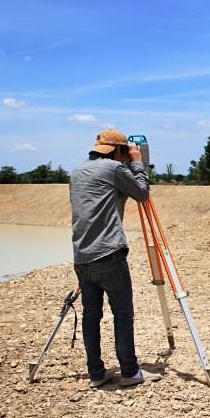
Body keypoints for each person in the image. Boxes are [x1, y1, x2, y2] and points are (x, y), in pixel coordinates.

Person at [70, 129, 161, 388]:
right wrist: (137, 163)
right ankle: (130, 372)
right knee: (123, 315)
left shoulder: (76, 172)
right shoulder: (114, 168)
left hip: (82, 257)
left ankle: (96, 373)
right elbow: (141, 193)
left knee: (91, 316)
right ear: (118, 150)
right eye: (125, 151)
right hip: (109, 254)